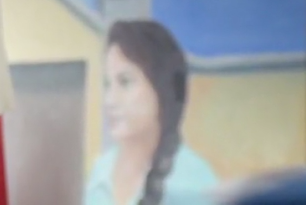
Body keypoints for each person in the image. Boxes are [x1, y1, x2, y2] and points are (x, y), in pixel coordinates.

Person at [85, 20, 219, 205]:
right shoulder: (100, 173)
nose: (110, 100)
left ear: (161, 88)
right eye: (108, 84)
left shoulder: (193, 180)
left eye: (125, 82)